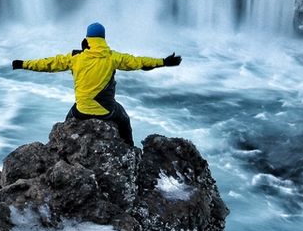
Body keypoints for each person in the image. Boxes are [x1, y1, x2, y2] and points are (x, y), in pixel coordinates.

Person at [11, 22, 182, 147]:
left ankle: (59, 142)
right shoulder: (112, 57)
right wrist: (163, 62)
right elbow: (139, 62)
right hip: (107, 112)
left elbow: (47, 64)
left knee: (70, 115)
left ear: (87, 39)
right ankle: (129, 147)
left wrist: (23, 64)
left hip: (81, 112)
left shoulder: (74, 58)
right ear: (103, 39)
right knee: (124, 118)